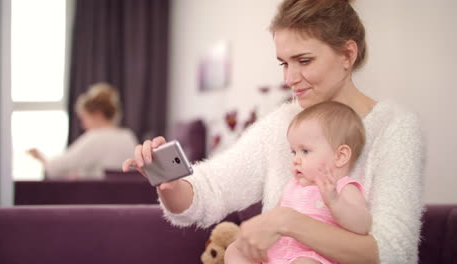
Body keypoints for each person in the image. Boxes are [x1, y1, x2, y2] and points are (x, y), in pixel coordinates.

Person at [123, 0, 424, 262]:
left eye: (304, 61)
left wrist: (286, 221)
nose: (290, 78)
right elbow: (210, 191)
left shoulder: (395, 127)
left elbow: (393, 251)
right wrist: (169, 183)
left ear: (347, 55)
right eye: (284, 63)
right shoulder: (282, 123)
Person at [225, 101, 371, 264]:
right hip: (278, 252)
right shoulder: (292, 186)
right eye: (294, 152)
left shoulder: (344, 187)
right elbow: (274, 220)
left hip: (313, 257)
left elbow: (362, 225)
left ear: (340, 156)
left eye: (305, 151)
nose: (295, 159)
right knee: (234, 249)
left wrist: (335, 202)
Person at [29, 82, 138, 179]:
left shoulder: (95, 138)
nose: (82, 125)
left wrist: (41, 158)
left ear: (97, 115)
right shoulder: (128, 136)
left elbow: (55, 168)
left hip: (100, 198)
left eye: (84, 118)